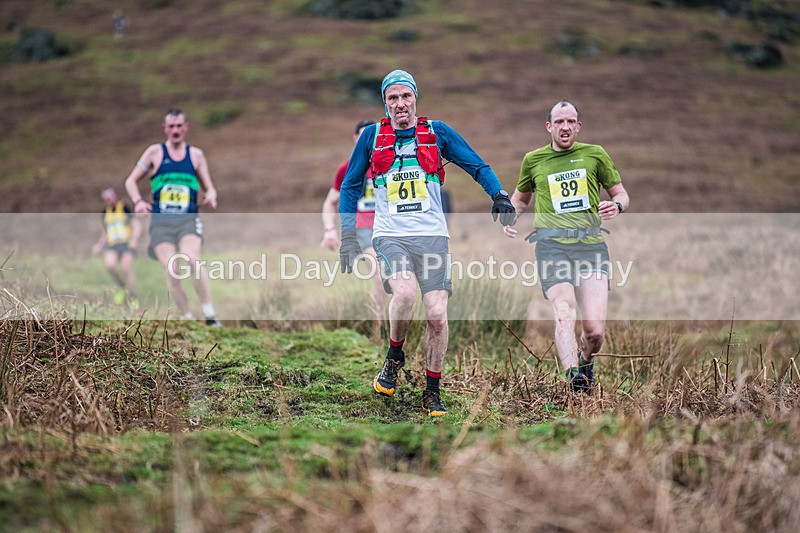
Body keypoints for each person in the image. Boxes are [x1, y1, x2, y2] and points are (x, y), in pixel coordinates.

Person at [338, 70, 515, 416]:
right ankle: (393, 356)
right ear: (385, 103)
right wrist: (347, 234)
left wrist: (500, 195)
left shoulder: (437, 132)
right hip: (390, 235)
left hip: (433, 236)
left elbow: (476, 164)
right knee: (404, 295)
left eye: (406, 96)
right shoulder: (372, 137)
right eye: (393, 98)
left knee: (436, 315)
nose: (400, 104)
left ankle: (432, 391)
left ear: (415, 98)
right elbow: (350, 186)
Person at [504, 100, 630, 392]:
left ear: (578, 126)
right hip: (551, 247)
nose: (565, 127)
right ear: (549, 127)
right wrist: (509, 216)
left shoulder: (595, 155)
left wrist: (617, 206)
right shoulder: (533, 160)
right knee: (564, 310)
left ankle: (586, 362)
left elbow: (622, 193)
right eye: (559, 122)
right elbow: (520, 199)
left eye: (570, 122)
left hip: (591, 247)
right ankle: (573, 379)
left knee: (594, 332)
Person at [124, 108, 223, 326]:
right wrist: (138, 201)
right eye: (171, 126)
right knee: (173, 269)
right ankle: (187, 317)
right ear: (165, 129)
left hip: (188, 220)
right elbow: (130, 181)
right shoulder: (154, 153)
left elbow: (210, 186)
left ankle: (209, 314)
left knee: (191, 260)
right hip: (161, 223)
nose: (176, 130)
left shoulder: (196, 155)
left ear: (186, 127)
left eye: (180, 126)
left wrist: (211, 195)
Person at [320, 119, 387, 320]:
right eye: (364, 135)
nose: (368, 140)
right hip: (362, 229)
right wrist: (330, 229)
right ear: (356, 138)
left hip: (389, 227)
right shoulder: (347, 169)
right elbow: (330, 202)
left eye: (373, 135)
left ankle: (391, 322)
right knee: (380, 272)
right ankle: (378, 324)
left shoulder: (390, 165)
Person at [91, 187, 140, 304]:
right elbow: (105, 231)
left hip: (126, 243)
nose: (109, 200)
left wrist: (134, 240)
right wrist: (99, 245)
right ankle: (122, 286)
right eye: (106, 199)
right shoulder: (104, 213)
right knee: (110, 266)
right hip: (113, 244)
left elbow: (136, 224)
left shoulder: (124, 208)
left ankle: (133, 297)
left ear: (115, 196)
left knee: (126, 269)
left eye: (110, 197)